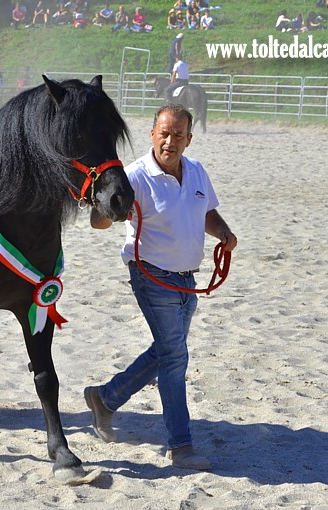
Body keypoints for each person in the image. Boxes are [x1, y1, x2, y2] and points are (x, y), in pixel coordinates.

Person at [84, 104, 237, 470]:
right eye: (164, 134)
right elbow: (97, 220)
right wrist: (109, 210)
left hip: (187, 278)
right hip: (151, 275)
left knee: (166, 351)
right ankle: (180, 445)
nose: (170, 141)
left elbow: (206, 213)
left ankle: (105, 399)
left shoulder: (197, 171)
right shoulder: (135, 176)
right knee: (174, 357)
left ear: (189, 138)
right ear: (152, 134)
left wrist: (224, 232)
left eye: (178, 135)